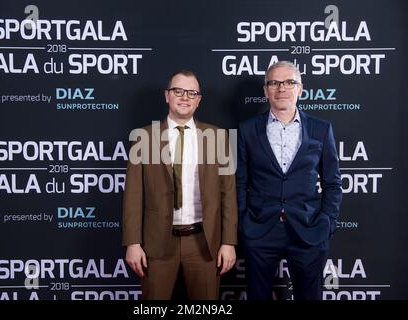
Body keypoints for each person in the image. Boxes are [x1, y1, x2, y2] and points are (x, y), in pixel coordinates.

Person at [122, 70, 237, 299]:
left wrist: (229, 242)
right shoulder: (144, 137)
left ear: (199, 99)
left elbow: (228, 193)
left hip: (204, 242)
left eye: (192, 93)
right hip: (156, 242)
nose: (185, 97)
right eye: (178, 91)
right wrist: (132, 243)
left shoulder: (218, 136)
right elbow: (133, 194)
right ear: (167, 96)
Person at [237, 61, 342, 300]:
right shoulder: (247, 129)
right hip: (261, 230)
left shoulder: (321, 129)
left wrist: (327, 222)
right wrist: (244, 222)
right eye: (274, 83)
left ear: (300, 89)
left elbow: (333, 183)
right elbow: (240, 182)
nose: (281, 88)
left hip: (308, 229)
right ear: (266, 90)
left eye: (289, 82)